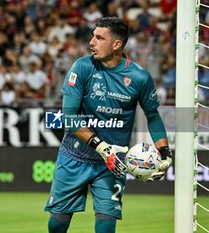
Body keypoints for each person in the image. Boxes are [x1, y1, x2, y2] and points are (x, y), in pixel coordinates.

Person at [44, 17, 172, 233]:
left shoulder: (139, 77)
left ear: (116, 45)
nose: (91, 42)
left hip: (112, 163)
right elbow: (68, 116)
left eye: (99, 37)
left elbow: (153, 116)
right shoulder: (82, 67)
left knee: (106, 226)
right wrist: (101, 146)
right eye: (93, 36)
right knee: (57, 223)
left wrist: (165, 152)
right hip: (74, 157)